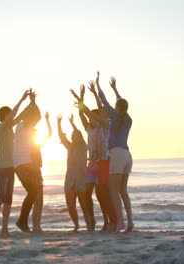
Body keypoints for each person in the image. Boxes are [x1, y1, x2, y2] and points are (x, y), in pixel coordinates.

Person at [71, 84, 116, 232]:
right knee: (86, 193)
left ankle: (107, 221)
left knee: (102, 195)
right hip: (91, 165)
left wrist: (92, 96)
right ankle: (91, 221)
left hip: (103, 162)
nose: (90, 119)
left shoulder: (104, 126)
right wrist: (81, 97)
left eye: (93, 117)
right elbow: (81, 115)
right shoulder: (89, 128)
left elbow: (93, 112)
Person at [96, 71, 134, 233]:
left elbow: (103, 101)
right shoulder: (128, 118)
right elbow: (122, 104)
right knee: (122, 191)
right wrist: (115, 89)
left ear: (118, 107)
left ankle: (120, 223)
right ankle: (129, 222)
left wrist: (98, 84)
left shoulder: (115, 116)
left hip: (117, 154)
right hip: (127, 155)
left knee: (113, 191)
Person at [0, 90, 30, 236]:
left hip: (10, 166)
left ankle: (4, 228)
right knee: (1, 197)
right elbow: (13, 116)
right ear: (3, 117)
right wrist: (21, 99)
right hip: (1, 166)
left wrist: (29, 102)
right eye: (7, 115)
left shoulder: (10, 128)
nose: (10, 116)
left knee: (8, 199)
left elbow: (19, 116)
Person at [13, 89, 51, 233]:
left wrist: (33, 102)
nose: (35, 121)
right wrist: (32, 102)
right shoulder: (22, 126)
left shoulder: (29, 128)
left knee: (34, 193)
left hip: (28, 163)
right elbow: (36, 116)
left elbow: (38, 116)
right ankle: (22, 221)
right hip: (21, 165)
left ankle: (23, 221)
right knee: (33, 192)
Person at [57, 114, 92, 232]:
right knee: (71, 205)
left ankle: (89, 225)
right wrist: (58, 123)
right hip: (70, 179)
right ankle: (76, 225)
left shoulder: (82, 145)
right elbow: (61, 138)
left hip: (81, 179)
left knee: (83, 205)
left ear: (80, 136)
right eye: (72, 135)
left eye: (75, 135)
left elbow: (78, 133)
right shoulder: (70, 147)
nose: (73, 137)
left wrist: (72, 123)